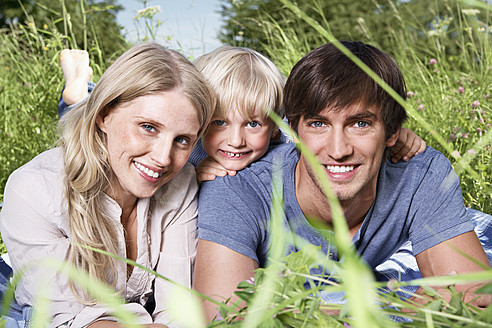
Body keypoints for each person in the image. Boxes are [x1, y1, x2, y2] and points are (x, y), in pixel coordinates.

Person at [193, 41, 492, 321]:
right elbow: (226, 316)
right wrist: (390, 308)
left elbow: (473, 294)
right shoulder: (232, 186)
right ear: (292, 131)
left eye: (360, 123)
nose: (338, 151)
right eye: (318, 124)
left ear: (392, 133)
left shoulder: (420, 172)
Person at [0, 43, 216, 327]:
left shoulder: (182, 180)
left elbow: (177, 310)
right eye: (148, 127)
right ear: (104, 114)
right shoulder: (33, 191)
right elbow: (72, 320)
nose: (163, 158)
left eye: (182, 140)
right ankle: (76, 92)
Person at [57, 46, 426, 183]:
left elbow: (326, 135)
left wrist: (399, 136)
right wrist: (188, 173)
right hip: (90, 113)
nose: (235, 140)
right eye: (218, 122)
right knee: (81, 116)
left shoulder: (281, 144)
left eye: (252, 123)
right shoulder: (183, 150)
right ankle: (79, 87)